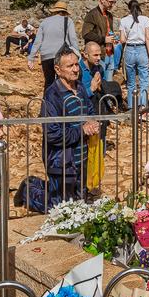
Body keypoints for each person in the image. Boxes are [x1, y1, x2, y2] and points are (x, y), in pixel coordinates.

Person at [40, 49, 100, 206]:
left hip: (82, 157)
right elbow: (52, 133)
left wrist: (93, 122)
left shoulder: (79, 88)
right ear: (58, 70)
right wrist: (82, 130)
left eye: (76, 65)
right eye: (70, 66)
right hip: (62, 162)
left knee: (81, 202)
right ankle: (29, 193)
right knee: (61, 206)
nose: (75, 69)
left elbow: (90, 110)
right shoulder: (52, 95)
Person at [27, 2, 80, 90]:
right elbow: (73, 39)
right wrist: (77, 55)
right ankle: (61, 102)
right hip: (61, 56)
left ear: (54, 11)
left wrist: (31, 58)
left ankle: (47, 102)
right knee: (63, 82)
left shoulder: (44, 22)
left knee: (49, 82)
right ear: (65, 12)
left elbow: (37, 42)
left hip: (46, 57)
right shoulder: (68, 21)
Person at [117, 0, 149, 110]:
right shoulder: (145, 19)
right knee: (144, 80)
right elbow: (148, 38)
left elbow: (122, 40)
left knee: (131, 81)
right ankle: (143, 106)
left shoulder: (123, 20)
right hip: (142, 49)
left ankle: (131, 106)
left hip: (130, 49)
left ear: (128, 8)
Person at [81, 0, 119, 81]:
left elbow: (108, 32)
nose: (112, 5)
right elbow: (86, 34)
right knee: (99, 84)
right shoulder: (92, 14)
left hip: (110, 54)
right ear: (102, 0)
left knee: (108, 85)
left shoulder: (109, 15)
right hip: (99, 56)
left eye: (114, 2)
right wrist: (104, 39)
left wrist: (113, 38)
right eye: (111, 2)